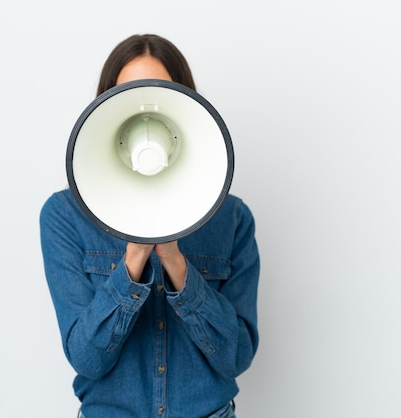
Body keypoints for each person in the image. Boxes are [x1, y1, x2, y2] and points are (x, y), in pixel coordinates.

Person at [40, 33, 260, 418]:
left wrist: (176, 263)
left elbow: (236, 357)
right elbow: (87, 359)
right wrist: (135, 256)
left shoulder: (233, 218)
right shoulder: (64, 216)